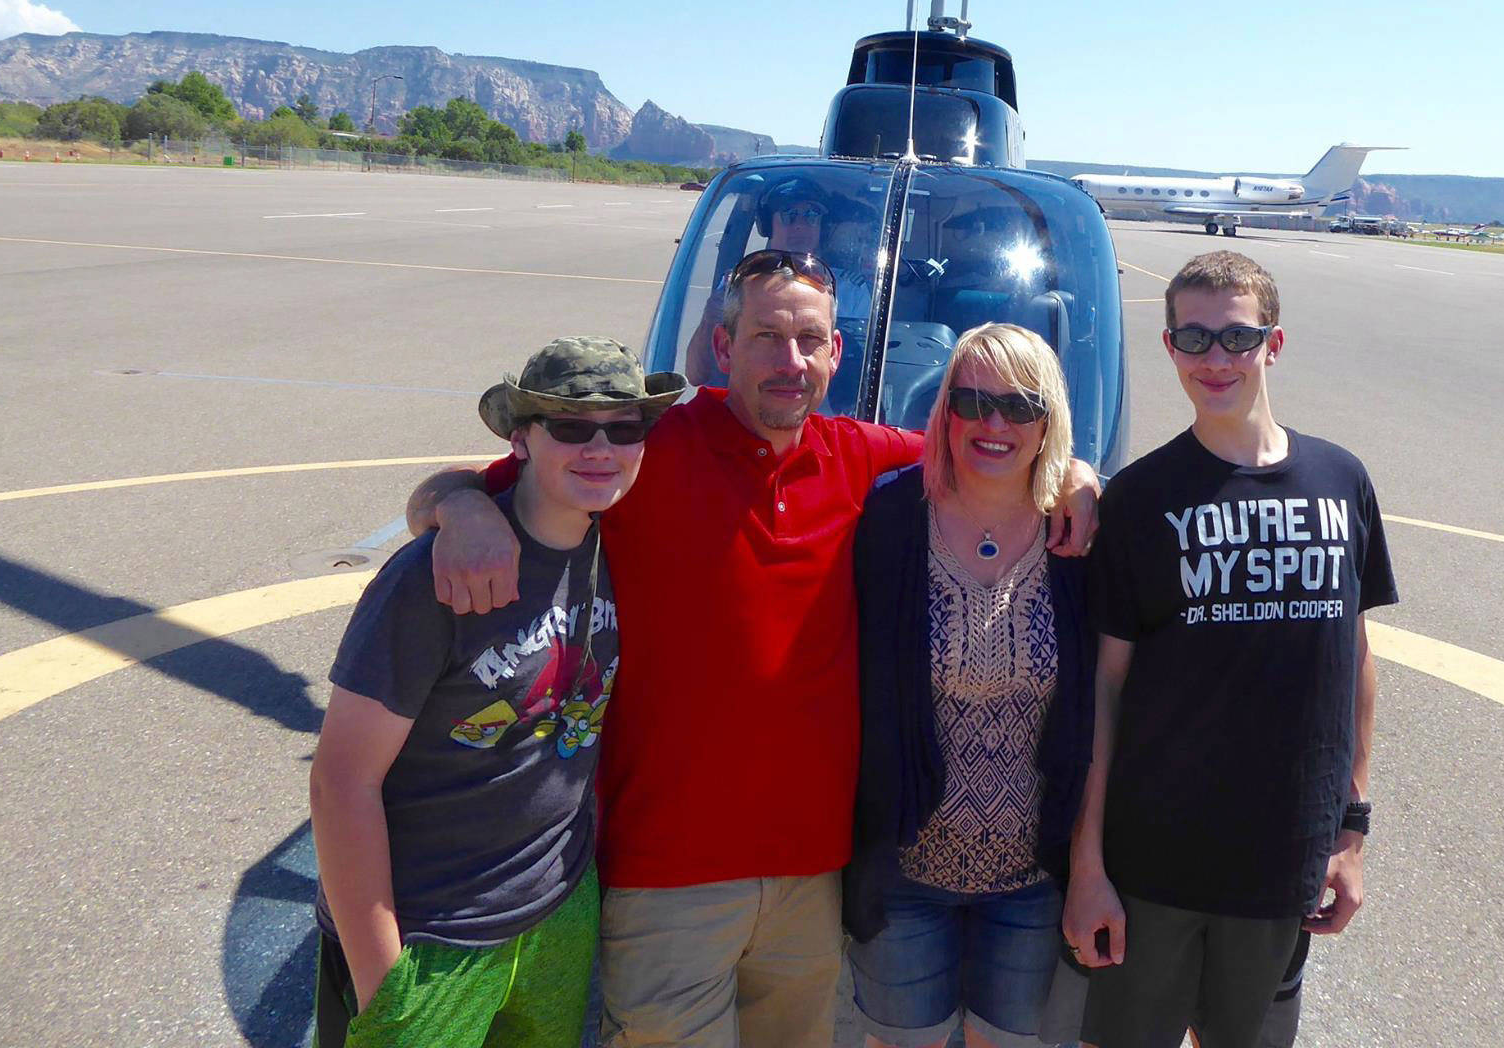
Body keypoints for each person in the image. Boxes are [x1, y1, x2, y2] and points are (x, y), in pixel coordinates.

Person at [408, 253, 1100, 1048]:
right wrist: (459, 508)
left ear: (836, 354)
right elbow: (476, 481)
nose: (791, 360)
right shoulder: (645, 447)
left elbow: (993, 452)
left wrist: (1078, 475)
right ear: (721, 346)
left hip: (813, 876)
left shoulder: (863, 458)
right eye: (767, 336)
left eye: (810, 339)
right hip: (667, 872)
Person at [1063, 251, 1398, 1048]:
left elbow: (1354, 667)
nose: (1216, 359)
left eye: (1238, 338)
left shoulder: (1340, 480)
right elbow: (1106, 691)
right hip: (1153, 865)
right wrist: (1088, 867)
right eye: (1195, 338)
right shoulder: (1140, 500)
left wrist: (1351, 834)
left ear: (1273, 345)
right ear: (1170, 346)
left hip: (1282, 861)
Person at [308, 337, 682, 1048]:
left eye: (624, 427)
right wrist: (383, 983)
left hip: (556, 915)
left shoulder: (623, 541)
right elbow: (339, 782)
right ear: (521, 438)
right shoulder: (437, 578)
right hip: (432, 932)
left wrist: (450, 496)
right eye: (571, 426)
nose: (600, 447)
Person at [845, 324, 1096, 1048]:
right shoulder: (890, 517)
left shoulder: (1078, 537)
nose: (994, 424)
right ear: (944, 411)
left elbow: (1106, 708)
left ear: (1049, 421)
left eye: (1019, 406)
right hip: (905, 874)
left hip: (1031, 879)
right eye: (972, 401)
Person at [684, 175, 874, 386]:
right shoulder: (738, 285)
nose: (800, 226)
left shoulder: (850, 291)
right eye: (789, 215)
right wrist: (710, 318)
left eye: (811, 216)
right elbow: (696, 375)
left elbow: (859, 378)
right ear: (768, 225)